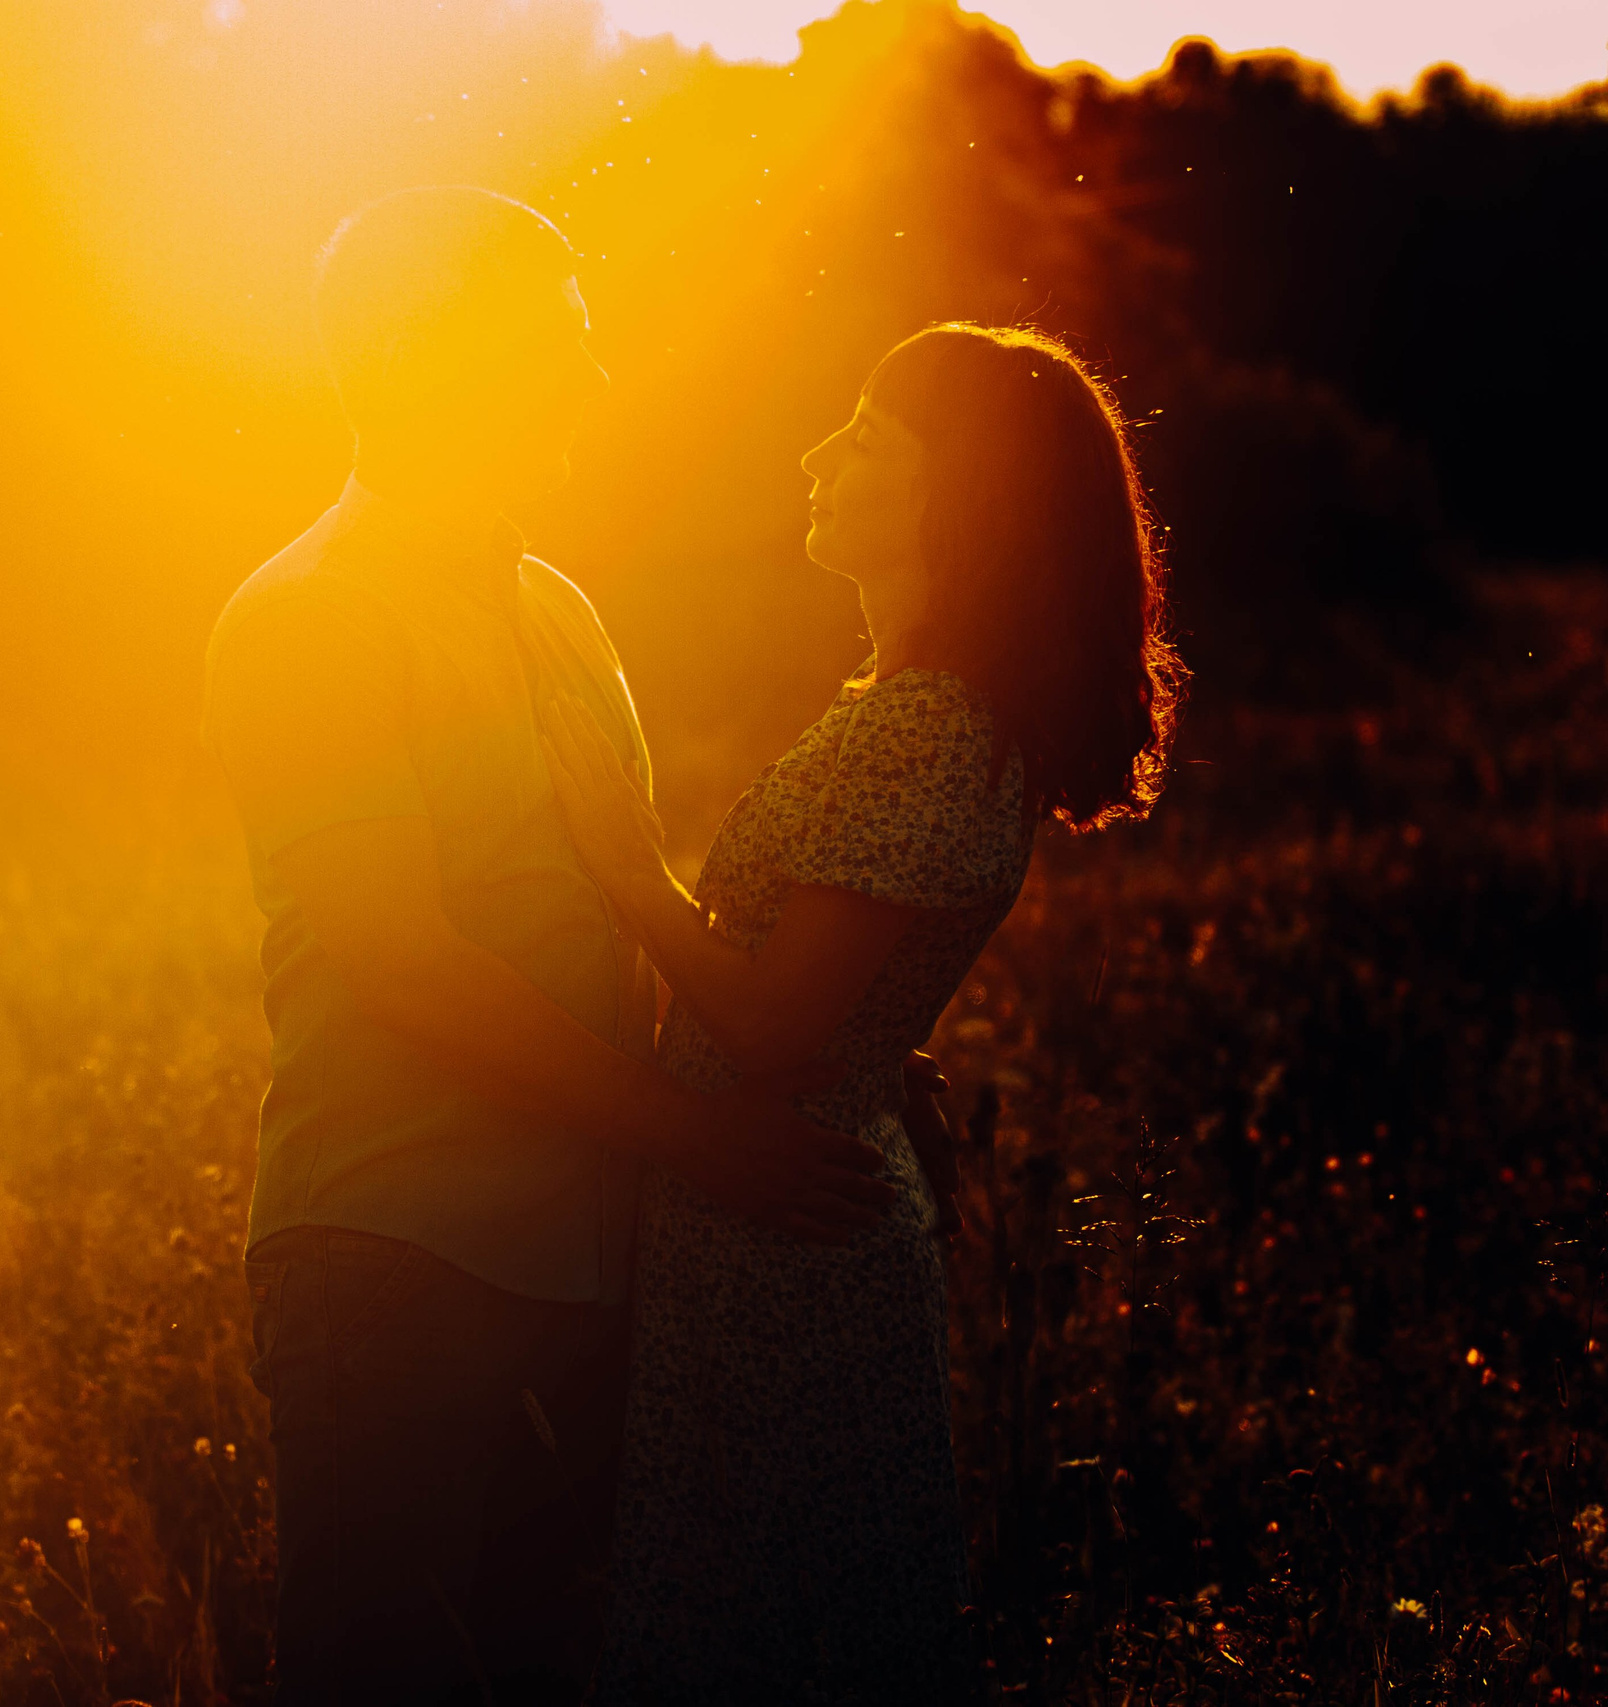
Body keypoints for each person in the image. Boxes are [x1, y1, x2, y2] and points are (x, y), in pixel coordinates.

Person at [200, 187, 903, 1705]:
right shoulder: (311, 618)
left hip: (590, 1262)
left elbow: (613, 913)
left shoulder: (559, 611)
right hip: (393, 1254)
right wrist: (700, 1141)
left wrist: (826, 1078)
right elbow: (402, 959)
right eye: (562, 341)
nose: (593, 378)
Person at [545, 322, 1188, 1702]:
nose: (816, 457)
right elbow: (852, 997)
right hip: (784, 1204)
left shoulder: (930, 724)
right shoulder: (921, 710)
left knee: (758, 1632)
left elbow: (778, 1023)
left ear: (956, 495)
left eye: (866, 438)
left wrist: (624, 865)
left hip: (786, 1230)